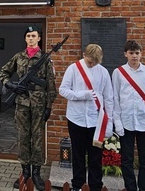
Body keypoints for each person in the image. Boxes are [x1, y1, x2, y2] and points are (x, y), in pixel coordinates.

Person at [0, 26, 57, 191]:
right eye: (28, 36)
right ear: (25, 39)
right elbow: (3, 72)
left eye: (34, 36)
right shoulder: (18, 57)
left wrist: (49, 107)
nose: (31, 38)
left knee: (37, 138)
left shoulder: (45, 59)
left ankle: (36, 174)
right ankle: (25, 172)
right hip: (22, 103)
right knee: (23, 137)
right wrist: (11, 85)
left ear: (39, 38)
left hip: (39, 104)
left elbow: (51, 84)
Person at [59, 44, 113, 191]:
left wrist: (109, 123)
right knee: (78, 155)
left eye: (95, 62)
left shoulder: (103, 72)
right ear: (84, 55)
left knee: (96, 156)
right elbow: (63, 90)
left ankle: (95, 186)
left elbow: (108, 98)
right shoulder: (73, 69)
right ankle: (78, 185)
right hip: (76, 118)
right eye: (90, 61)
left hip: (96, 119)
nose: (92, 64)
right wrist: (81, 95)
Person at [111, 40, 145, 191]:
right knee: (126, 160)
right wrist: (117, 122)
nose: (134, 56)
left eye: (137, 53)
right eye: (131, 53)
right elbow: (115, 98)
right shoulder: (118, 72)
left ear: (141, 54)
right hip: (126, 121)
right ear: (125, 54)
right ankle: (131, 188)